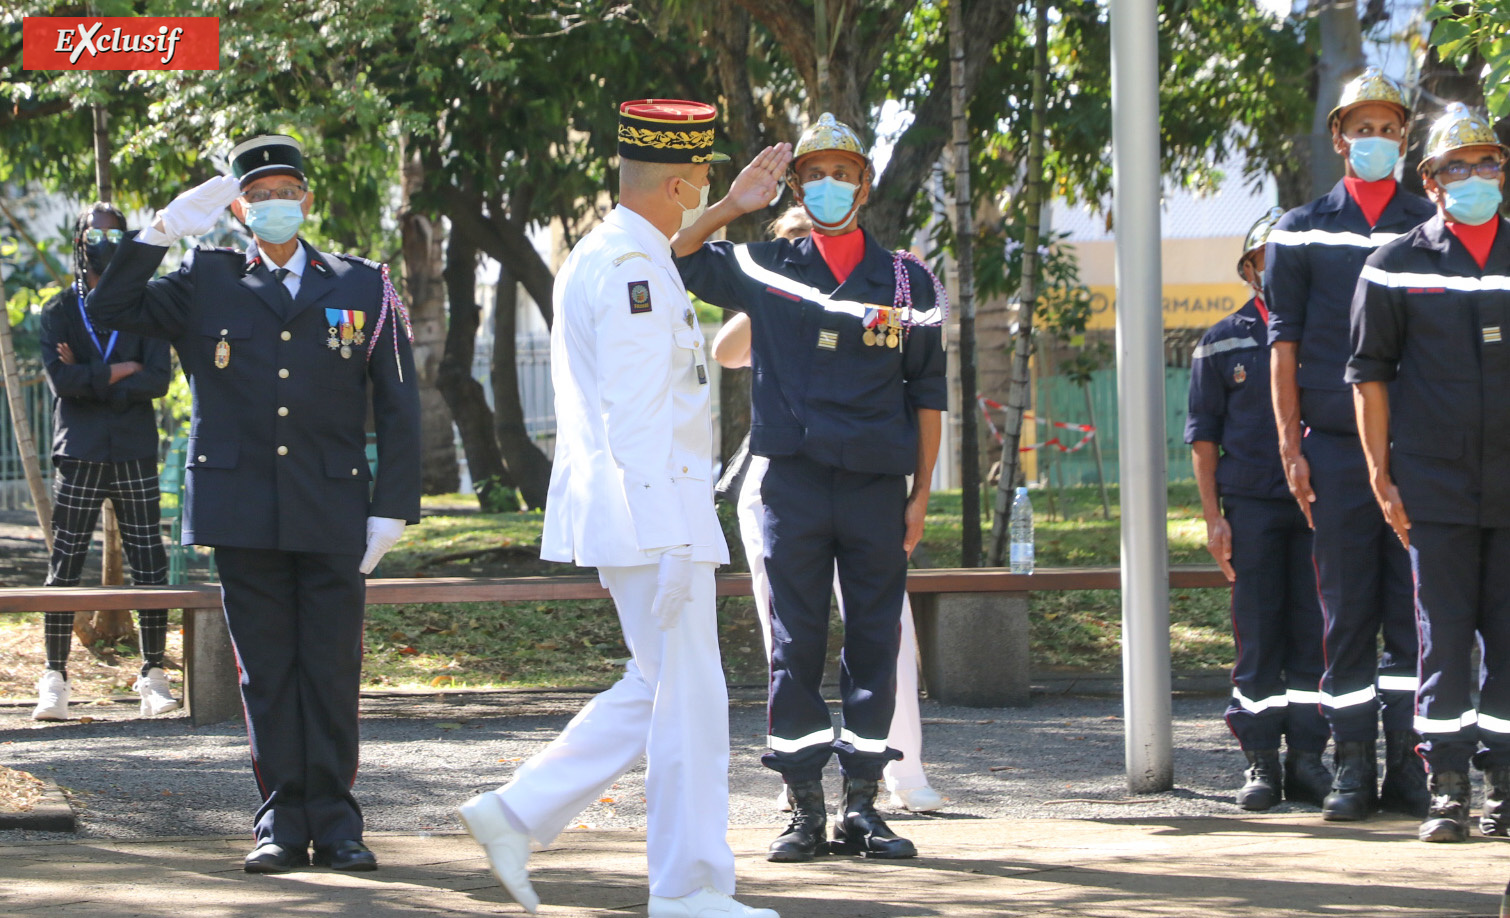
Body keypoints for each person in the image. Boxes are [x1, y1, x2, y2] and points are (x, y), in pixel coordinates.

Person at [456, 100, 782, 918]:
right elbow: (638, 418)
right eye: (700, 184)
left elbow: (676, 244)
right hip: (654, 515)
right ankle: (688, 888)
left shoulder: (617, 252)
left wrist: (731, 206)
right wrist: (671, 539)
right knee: (692, 707)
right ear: (676, 183)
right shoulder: (635, 272)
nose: (704, 196)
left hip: (644, 512)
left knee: (662, 687)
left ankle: (516, 811)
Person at [87, 134, 421, 873]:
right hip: (242, 507)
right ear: (238, 208)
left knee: (331, 669)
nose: (274, 205)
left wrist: (392, 505)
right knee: (265, 671)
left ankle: (335, 822)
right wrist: (159, 233)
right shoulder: (202, 279)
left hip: (334, 506)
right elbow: (108, 304)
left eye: (286, 192)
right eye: (259, 195)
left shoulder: (366, 285)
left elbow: (400, 403)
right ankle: (279, 821)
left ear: (307, 199)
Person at [673, 112, 947, 863]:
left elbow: (928, 395)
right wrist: (733, 205)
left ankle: (863, 805)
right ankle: (803, 809)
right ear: (797, 184)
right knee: (794, 647)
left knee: (872, 643)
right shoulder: (768, 265)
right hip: (791, 487)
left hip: (872, 489)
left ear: (865, 184)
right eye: (815, 174)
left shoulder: (907, 281)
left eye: (843, 173)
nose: (829, 186)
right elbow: (683, 256)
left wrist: (921, 497)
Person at [713, 205, 945, 815]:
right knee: (789, 637)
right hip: (783, 476)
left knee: (883, 630)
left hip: (865, 476)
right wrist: (779, 297)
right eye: (792, 244)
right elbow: (725, 350)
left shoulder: (890, 288)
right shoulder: (772, 296)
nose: (808, 253)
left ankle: (901, 773)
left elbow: (923, 384)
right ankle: (800, 783)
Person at [1265, 68, 1435, 822]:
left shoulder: (1428, 228)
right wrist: (1289, 449)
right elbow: (1284, 342)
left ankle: (1409, 766)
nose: (1376, 140)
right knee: (1346, 612)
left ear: (1406, 139)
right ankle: (1352, 769)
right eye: (1361, 128)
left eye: (1389, 128)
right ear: (1338, 137)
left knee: (1413, 614)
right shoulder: (1298, 229)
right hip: (1333, 449)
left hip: (1420, 451)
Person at [1349, 102, 1510, 843]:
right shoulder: (1393, 266)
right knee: (1442, 639)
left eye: (1488, 162)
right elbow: (1368, 376)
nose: (1476, 176)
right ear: (1432, 180)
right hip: (1434, 488)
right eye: (1459, 166)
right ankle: (1447, 790)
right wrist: (1381, 476)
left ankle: (1504, 787)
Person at [1186, 207, 1332, 811]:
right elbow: (1202, 439)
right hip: (1251, 507)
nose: (1277, 271)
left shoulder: (1329, 333)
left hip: (1322, 507)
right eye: (1266, 261)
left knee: (1316, 632)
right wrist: (1213, 517)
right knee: (1258, 632)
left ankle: (1308, 760)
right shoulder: (1223, 340)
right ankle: (1261, 764)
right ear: (1249, 270)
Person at [32, 203, 175, 722]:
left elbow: (157, 380)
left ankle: (153, 673)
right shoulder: (57, 310)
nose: (105, 241)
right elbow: (61, 382)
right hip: (80, 451)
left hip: (135, 449)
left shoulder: (147, 306)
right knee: (64, 563)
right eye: (97, 233)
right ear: (80, 239)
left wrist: (92, 374)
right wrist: (121, 370)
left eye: (116, 234)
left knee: (149, 563)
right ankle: (54, 677)